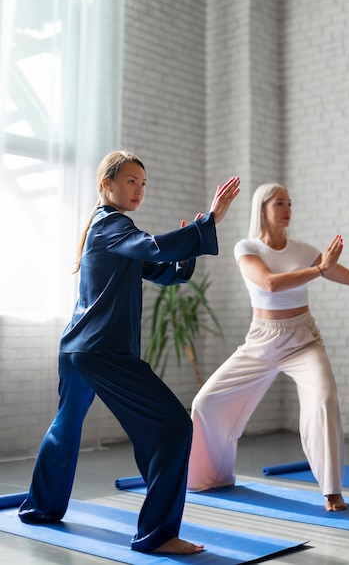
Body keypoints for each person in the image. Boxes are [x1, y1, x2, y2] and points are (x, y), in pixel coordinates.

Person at [18, 150, 240, 554]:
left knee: (64, 432)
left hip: (77, 352)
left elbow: (166, 271)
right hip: (102, 352)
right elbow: (154, 247)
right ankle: (158, 534)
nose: (139, 190)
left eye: (143, 184)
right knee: (174, 428)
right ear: (107, 185)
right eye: (131, 181)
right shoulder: (113, 226)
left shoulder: (111, 233)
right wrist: (211, 221)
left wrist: (189, 243)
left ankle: (40, 509)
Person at [187, 182, 349, 512]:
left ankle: (332, 490)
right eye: (279, 202)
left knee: (324, 400)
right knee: (206, 402)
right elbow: (268, 282)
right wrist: (318, 269)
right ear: (263, 208)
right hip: (262, 339)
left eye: (290, 203)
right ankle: (211, 475)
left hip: (303, 339)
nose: (287, 209)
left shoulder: (304, 250)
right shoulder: (247, 247)